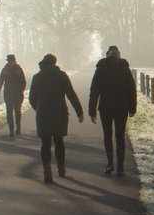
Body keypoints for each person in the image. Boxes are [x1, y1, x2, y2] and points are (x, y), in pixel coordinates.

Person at [27, 53, 84, 183]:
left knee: (45, 143)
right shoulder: (62, 76)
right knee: (59, 142)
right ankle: (61, 169)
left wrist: (39, 108)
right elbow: (71, 94)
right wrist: (79, 111)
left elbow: (31, 98)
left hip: (43, 114)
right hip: (60, 112)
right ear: (55, 63)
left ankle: (47, 173)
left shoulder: (37, 77)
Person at [87, 45, 137, 176]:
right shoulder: (125, 69)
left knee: (107, 136)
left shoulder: (101, 68)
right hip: (122, 107)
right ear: (119, 54)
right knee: (120, 136)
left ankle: (110, 164)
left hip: (105, 107)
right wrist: (132, 108)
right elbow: (132, 89)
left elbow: (94, 91)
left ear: (107, 54)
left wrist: (92, 110)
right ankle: (120, 167)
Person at [0, 54, 27, 137]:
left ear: (14, 61)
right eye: (9, 61)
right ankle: (11, 130)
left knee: (17, 111)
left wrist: (21, 90)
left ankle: (18, 128)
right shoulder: (4, 70)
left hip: (18, 93)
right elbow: (0, 82)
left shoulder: (19, 70)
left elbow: (24, 81)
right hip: (8, 93)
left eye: (12, 61)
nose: (11, 62)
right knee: (9, 112)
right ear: (8, 62)